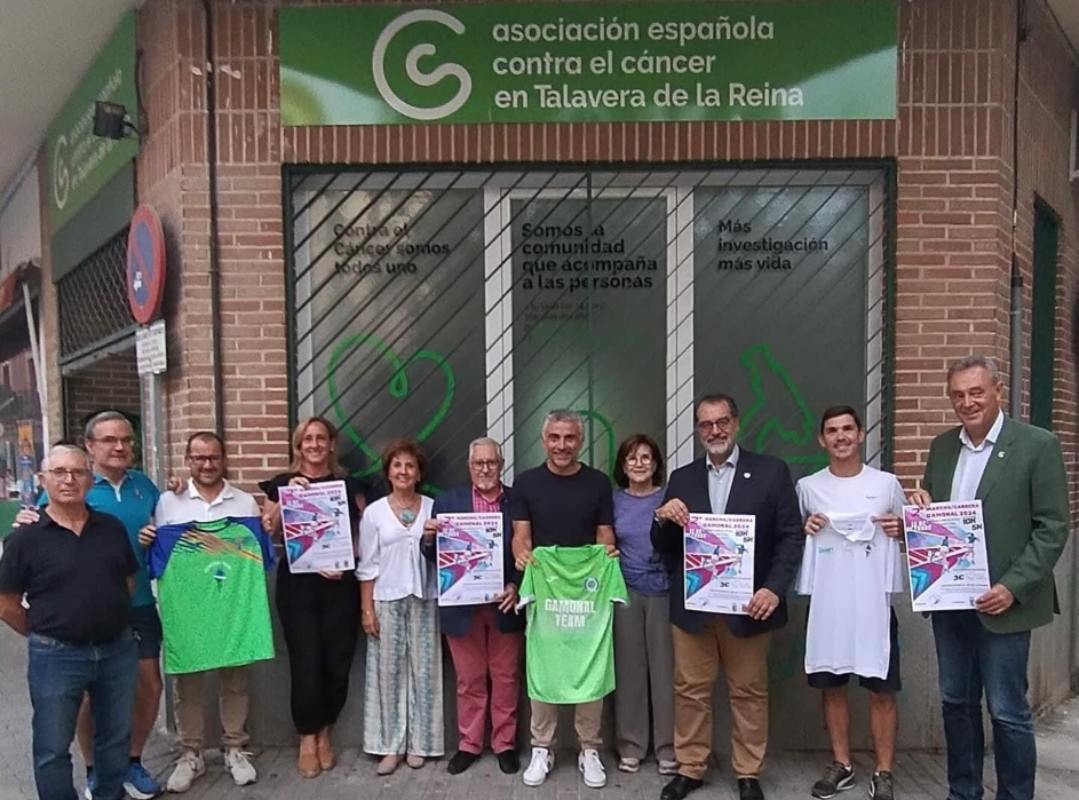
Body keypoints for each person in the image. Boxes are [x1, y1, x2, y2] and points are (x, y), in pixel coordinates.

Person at [908, 356, 1070, 800]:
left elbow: (1053, 526)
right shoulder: (942, 447)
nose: (967, 402)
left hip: (1005, 603)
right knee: (956, 705)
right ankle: (963, 792)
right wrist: (922, 508)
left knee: (1007, 712)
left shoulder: (1037, 445)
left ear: (998, 389)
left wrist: (1013, 587)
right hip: (951, 602)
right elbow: (942, 524)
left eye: (976, 392)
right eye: (958, 394)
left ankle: (1015, 796)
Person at [650, 394, 803, 800]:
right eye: (706, 424)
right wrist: (661, 517)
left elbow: (791, 536)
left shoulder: (771, 473)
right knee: (690, 690)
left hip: (748, 606)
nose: (714, 431)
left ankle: (748, 772)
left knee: (749, 691)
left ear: (736, 423)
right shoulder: (682, 478)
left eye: (722, 422)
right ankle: (691, 767)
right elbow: (663, 545)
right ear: (697, 429)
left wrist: (773, 588)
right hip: (695, 608)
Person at [16, 411, 164, 799]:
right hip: (60, 640)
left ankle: (122, 773)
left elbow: (130, 574)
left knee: (131, 711)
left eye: (126, 440)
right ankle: (88, 776)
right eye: (109, 440)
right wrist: (43, 629)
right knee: (61, 731)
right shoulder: (42, 517)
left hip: (127, 623)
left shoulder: (134, 498)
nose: (119, 446)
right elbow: (7, 597)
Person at [0, 444, 139, 800]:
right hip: (56, 656)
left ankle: (109, 794)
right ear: (43, 480)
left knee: (114, 738)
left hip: (116, 650)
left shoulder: (111, 528)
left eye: (77, 472)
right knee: (52, 746)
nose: (68, 480)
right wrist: (45, 631)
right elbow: (6, 603)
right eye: (59, 473)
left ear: (90, 480)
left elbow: (127, 581)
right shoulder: (24, 539)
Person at [136, 432, 263, 791]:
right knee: (187, 684)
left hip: (232, 609)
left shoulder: (244, 504)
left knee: (235, 681)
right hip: (187, 610)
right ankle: (190, 754)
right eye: (199, 458)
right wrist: (149, 540)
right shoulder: (167, 503)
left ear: (225, 459)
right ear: (188, 461)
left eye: (214, 457)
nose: (207, 465)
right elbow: (154, 555)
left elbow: (254, 558)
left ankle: (235, 747)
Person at [796, 406, 907, 800]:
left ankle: (884, 771)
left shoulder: (888, 484)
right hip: (829, 601)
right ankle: (842, 764)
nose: (840, 436)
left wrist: (902, 528)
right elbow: (797, 535)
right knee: (832, 684)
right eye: (832, 430)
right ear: (821, 440)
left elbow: (914, 531)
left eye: (847, 429)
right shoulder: (808, 488)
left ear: (861, 434)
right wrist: (806, 527)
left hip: (874, 602)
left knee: (882, 690)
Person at [511, 409, 618, 790]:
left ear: (581, 441)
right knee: (544, 666)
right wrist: (522, 556)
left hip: (586, 595)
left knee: (589, 663)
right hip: (545, 590)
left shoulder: (598, 483)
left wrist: (607, 557)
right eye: (554, 438)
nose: (562, 445)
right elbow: (520, 536)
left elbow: (605, 534)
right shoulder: (526, 483)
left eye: (569, 438)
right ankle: (542, 746)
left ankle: (590, 748)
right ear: (543, 441)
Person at [259, 416, 366, 778]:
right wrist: (288, 496)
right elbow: (268, 525)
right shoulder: (284, 483)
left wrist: (345, 558)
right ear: (299, 445)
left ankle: (325, 732)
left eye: (322, 438)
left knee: (337, 661)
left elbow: (363, 532)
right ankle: (306, 737)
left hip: (340, 582)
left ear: (332, 444)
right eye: (308, 439)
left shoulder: (349, 484)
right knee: (305, 660)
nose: (315, 444)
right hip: (298, 585)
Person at [420, 437, 524, 776]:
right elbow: (434, 558)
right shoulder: (448, 501)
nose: (485, 469)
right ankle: (469, 744)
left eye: (491, 462)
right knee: (469, 680)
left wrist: (517, 586)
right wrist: (429, 539)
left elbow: (527, 552)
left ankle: (504, 744)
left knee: (506, 677)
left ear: (501, 464)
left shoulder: (517, 501)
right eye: (479, 463)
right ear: (469, 466)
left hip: (504, 604)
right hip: (462, 607)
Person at [357, 439, 443, 775]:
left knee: (425, 671)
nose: (403, 471)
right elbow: (368, 565)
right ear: (388, 472)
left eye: (410, 465)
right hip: (387, 598)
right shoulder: (375, 513)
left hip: (426, 598)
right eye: (397, 465)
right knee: (388, 674)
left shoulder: (434, 508)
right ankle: (389, 746)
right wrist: (367, 609)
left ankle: (421, 743)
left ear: (419, 472)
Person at [610, 433, 676, 776]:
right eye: (632, 458)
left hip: (664, 592)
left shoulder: (669, 498)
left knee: (665, 673)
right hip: (626, 592)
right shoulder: (614, 501)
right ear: (623, 465)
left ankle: (668, 748)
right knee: (630, 671)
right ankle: (631, 745)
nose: (639, 464)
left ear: (656, 464)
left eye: (646, 458)